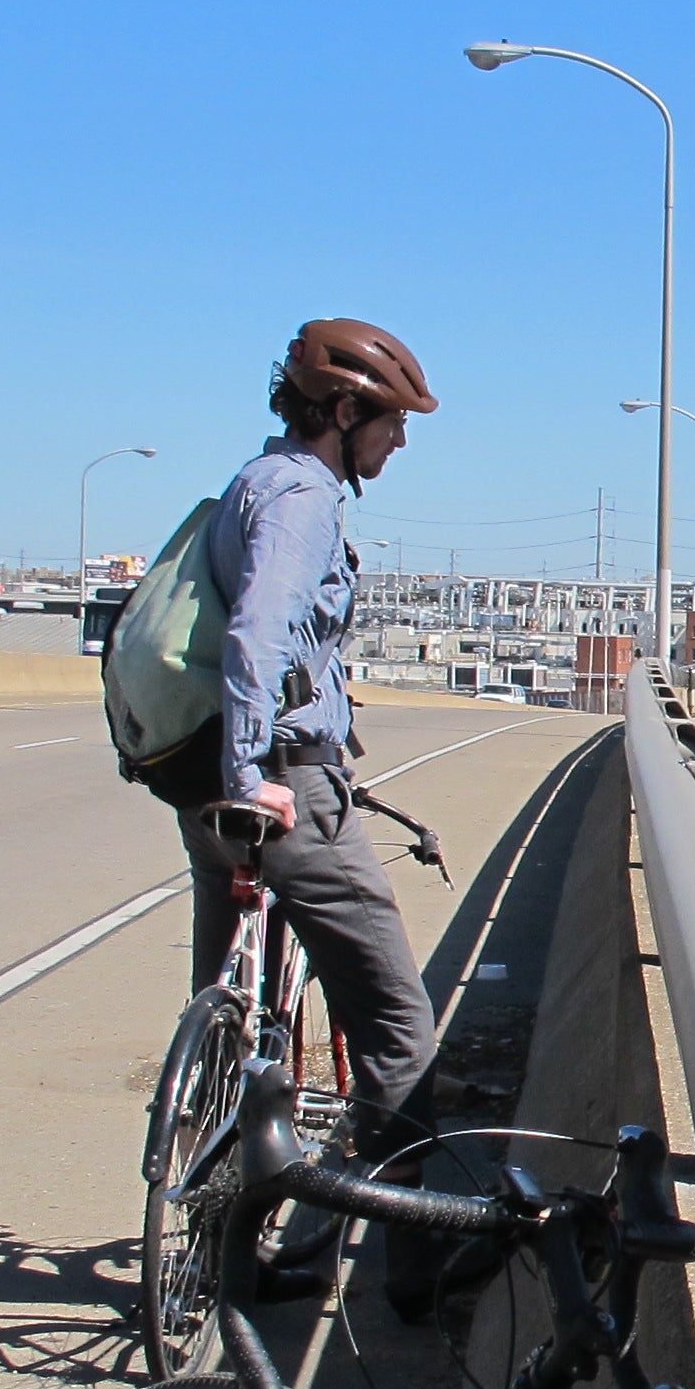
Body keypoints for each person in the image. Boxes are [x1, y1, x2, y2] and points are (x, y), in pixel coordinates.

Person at [182, 320, 450, 1307]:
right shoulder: (304, 496)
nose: (399, 443)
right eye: (390, 422)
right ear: (343, 413)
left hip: (214, 787)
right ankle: (410, 1272)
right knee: (401, 1033)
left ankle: (218, 1236)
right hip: (283, 792)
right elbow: (258, 629)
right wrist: (258, 768)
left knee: (233, 1015)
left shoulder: (254, 479)